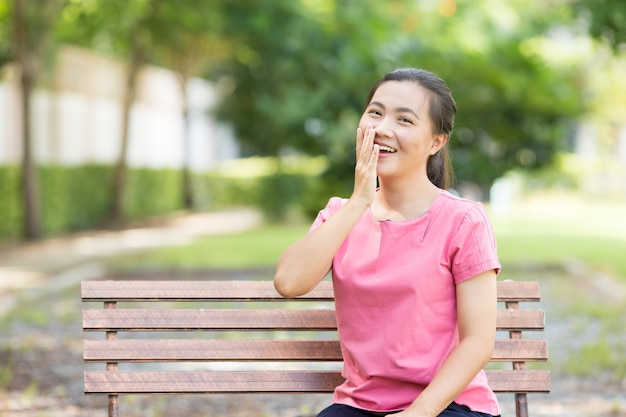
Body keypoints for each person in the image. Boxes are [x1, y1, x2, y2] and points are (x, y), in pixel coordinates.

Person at [274, 68, 501, 417]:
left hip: (448, 406)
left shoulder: (462, 220)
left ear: (435, 142)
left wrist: (417, 414)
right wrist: (358, 203)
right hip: (360, 406)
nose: (382, 128)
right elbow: (288, 283)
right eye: (375, 113)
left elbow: (478, 341)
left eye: (405, 120)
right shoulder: (341, 214)